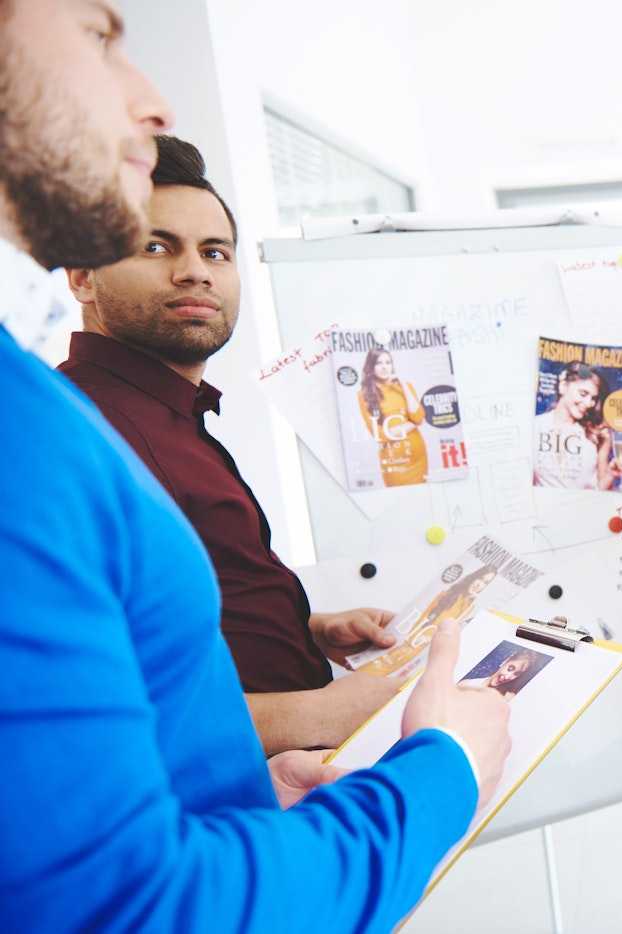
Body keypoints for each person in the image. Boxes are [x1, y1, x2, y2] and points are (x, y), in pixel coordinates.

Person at [0, 2, 512, 929]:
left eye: (217, 253)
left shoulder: (138, 421)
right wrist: (443, 768)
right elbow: (130, 907)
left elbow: (136, 683)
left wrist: (285, 671)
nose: (151, 102)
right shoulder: (53, 434)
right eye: (98, 35)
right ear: (82, 277)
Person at [59, 134, 398, 755]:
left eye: (215, 252)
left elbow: (176, 617)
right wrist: (319, 716)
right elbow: (80, 700)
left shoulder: (175, 417)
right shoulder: (76, 432)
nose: (194, 270)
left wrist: (306, 633)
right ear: (82, 276)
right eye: (156, 246)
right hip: (201, 812)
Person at [358, 566, 498, 677]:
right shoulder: (449, 594)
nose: (480, 585)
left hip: (425, 653)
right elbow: (423, 617)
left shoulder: (468, 605)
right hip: (410, 642)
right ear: (474, 577)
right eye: (481, 579)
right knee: (374, 672)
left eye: (486, 583)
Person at [533, 360, 622, 490]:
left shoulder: (599, 434)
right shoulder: (536, 426)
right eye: (583, 394)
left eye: (593, 398)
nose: (589, 403)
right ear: (563, 387)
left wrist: (611, 474)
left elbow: (602, 493)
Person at [358, 346, 429, 487]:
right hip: (394, 463)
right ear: (371, 367)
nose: (385, 367)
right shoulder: (364, 395)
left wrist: (402, 384)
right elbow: (379, 435)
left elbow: (419, 416)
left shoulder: (406, 386)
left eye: (388, 362)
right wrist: (412, 424)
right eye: (379, 363)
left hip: (418, 458)